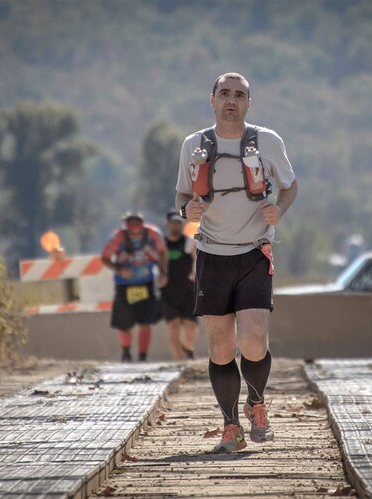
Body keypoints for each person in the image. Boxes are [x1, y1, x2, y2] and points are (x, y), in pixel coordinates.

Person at [175, 72, 298, 452]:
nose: (232, 100)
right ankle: (231, 425)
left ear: (249, 102)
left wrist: (279, 208)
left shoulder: (268, 141)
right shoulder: (194, 145)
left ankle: (256, 402)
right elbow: (182, 196)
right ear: (211, 99)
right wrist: (187, 209)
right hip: (212, 253)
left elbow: (290, 185)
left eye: (239, 94)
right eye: (225, 93)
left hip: (254, 252)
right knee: (221, 348)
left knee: (254, 342)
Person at [100, 212, 167, 362]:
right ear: (125, 225)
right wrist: (119, 270)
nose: (135, 229)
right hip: (124, 284)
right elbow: (104, 257)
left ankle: (143, 356)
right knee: (123, 323)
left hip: (146, 283)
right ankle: (126, 352)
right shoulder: (118, 237)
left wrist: (163, 272)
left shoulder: (153, 234)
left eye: (137, 223)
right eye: (131, 224)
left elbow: (162, 252)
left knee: (146, 322)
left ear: (143, 224)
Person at [160, 211, 199, 360]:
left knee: (190, 326)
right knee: (173, 326)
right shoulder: (162, 245)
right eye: (173, 223)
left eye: (179, 223)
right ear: (167, 223)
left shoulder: (189, 242)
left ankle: (187, 350)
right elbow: (156, 262)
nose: (176, 226)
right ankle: (179, 361)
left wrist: (196, 274)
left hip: (187, 289)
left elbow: (198, 258)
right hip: (168, 290)